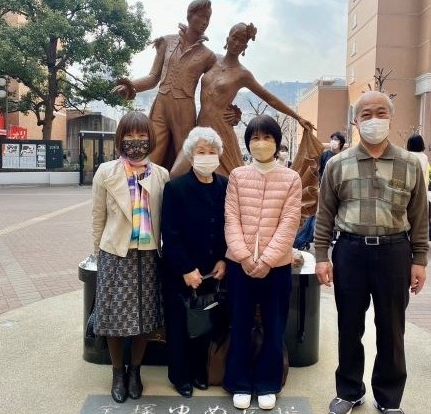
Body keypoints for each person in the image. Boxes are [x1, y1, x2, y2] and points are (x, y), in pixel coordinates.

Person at [314, 91, 429, 414]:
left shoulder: (409, 163)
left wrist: (420, 260)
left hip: (395, 252)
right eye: (366, 114)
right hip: (350, 251)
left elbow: (419, 216)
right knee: (349, 325)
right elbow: (324, 215)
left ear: (390, 118)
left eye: (381, 113)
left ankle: (389, 397)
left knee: (392, 328)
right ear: (355, 121)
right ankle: (349, 391)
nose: (373, 120)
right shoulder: (337, 164)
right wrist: (321, 256)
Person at [223, 115, 302, 410]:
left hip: (276, 267)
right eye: (255, 138)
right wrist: (244, 256)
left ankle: (268, 382)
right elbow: (231, 218)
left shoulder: (291, 179)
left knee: (274, 324)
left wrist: (267, 260)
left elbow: (289, 222)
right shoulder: (237, 176)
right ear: (248, 143)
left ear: (277, 142)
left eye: (267, 137)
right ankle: (240, 382)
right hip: (239, 265)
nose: (261, 143)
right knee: (240, 323)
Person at [92, 111, 170, 403]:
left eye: (141, 135)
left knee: (144, 317)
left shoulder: (161, 175)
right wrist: (98, 255)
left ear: (150, 138)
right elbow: (98, 217)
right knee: (114, 317)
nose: (135, 141)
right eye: (129, 135)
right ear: (120, 138)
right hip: (115, 253)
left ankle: (135, 371)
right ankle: (117, 372)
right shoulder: (106, 172)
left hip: (149, 254)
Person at [161, 126, 228, 398]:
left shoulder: (225, 186)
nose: (207, 156)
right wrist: (186, 269)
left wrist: (223, 259)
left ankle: (201, 371)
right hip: (181, 270)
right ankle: (180, 376)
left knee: (205, 321)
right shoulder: (175, 188)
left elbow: (228, 226)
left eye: (212, 151)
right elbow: (170, 234)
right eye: (201, 151)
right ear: (191, 155)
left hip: (213, 271)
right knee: (179, 324)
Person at [196, 22, 314, 177]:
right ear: (227, 38)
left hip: (221, 130)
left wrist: (297, 117)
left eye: (241, 41)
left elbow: (269, 98)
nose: (236, 43)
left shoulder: (242, 74)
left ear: (245, 47)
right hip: (200, 125)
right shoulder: (212, 60)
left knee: (227, 178)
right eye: (234, 38)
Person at [112, 0, 216, 175]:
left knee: (185, 157)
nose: (205, 22)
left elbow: (217, 85)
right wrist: (130, 86)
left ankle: (178, 191)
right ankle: (142, 188)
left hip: (184, 110)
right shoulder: (167, 41)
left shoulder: (208, 56)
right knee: (151, 153)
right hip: (161, 104)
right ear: (190, 16)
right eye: (201, 16)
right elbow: (153, 77)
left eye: (208, 18)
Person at [407, 133, 431, 241]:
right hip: (423, 193)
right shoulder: (424, 158)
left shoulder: (407, 157)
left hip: (409, 192)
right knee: (420, 218)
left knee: (407, 217)